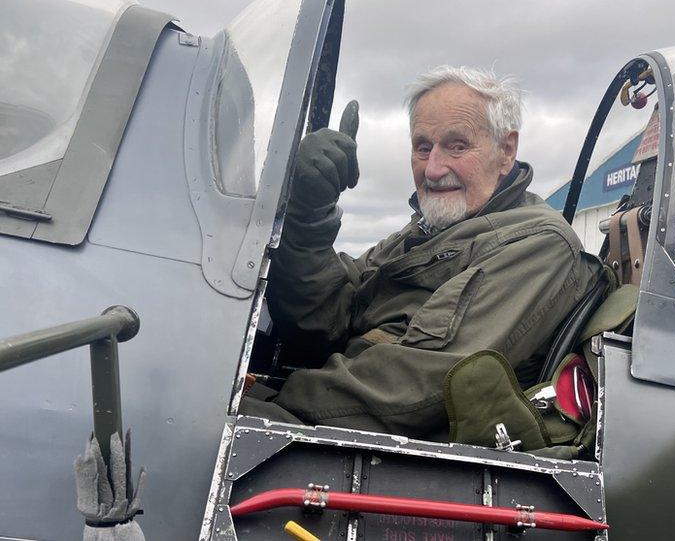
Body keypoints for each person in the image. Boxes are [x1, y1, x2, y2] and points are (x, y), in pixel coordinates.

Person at [242, 66, 601, 441]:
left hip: (379, 450)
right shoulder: (429, 230)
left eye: (457, 146)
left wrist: (268, 400)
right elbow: (326, 322)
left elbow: (417, 388)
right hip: (332, 411)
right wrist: (308, 216)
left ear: (506, 151)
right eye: (422, 147)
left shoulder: (538, 245)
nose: (432, 169)